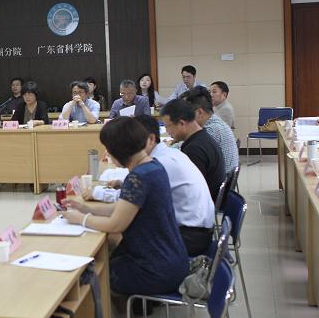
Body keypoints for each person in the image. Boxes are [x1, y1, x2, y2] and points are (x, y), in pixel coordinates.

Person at [62, 117, 189, 296]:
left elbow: (116, 224)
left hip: (155, 268)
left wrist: (82, 219)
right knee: (109, 252)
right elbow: (122, 208)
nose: (108, 153)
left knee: (93, 277)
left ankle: (118, 314)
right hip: (173, 259)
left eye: (109, 148)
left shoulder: (138, 177)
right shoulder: (153, 166)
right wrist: (86, 209)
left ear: (118, 150)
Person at [134, 115, 215, 256]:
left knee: (127, 236)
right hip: (198, 229)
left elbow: (133, 199)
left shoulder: (160, 163)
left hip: (190, 237)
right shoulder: (171, 153)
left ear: (151, 139)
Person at [161, 99, 226, 201]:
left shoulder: (194, 149)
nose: (167, 131)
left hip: (205, 202)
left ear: (181, 123)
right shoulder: (202, 137)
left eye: (167, 126)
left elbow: (191, 191)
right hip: (210, 197)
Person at [181, 86, 239, 174]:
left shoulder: (211, 130)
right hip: (222, 176)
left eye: (185, 112)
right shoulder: (213, 122)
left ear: (199, 112)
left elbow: (188, 150)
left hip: (218, 180)